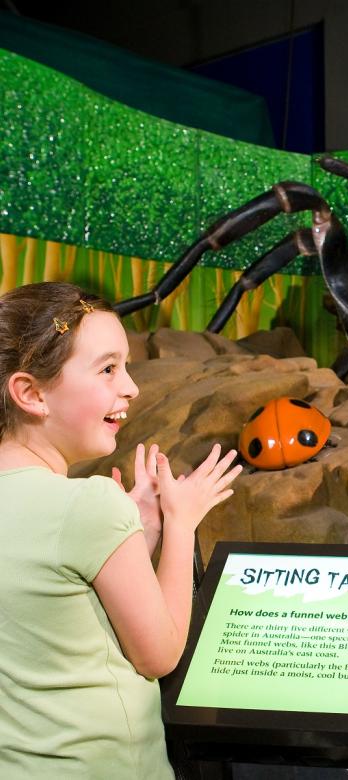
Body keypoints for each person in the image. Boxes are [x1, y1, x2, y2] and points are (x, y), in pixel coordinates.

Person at [0, 282, 243, 778]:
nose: (130, 386)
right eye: (108, 368)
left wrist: (135, 535)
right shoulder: (89, 505)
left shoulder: (83, 511)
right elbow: (159, 653)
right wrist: (179, 524)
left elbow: (56, 615)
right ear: (31, 393)